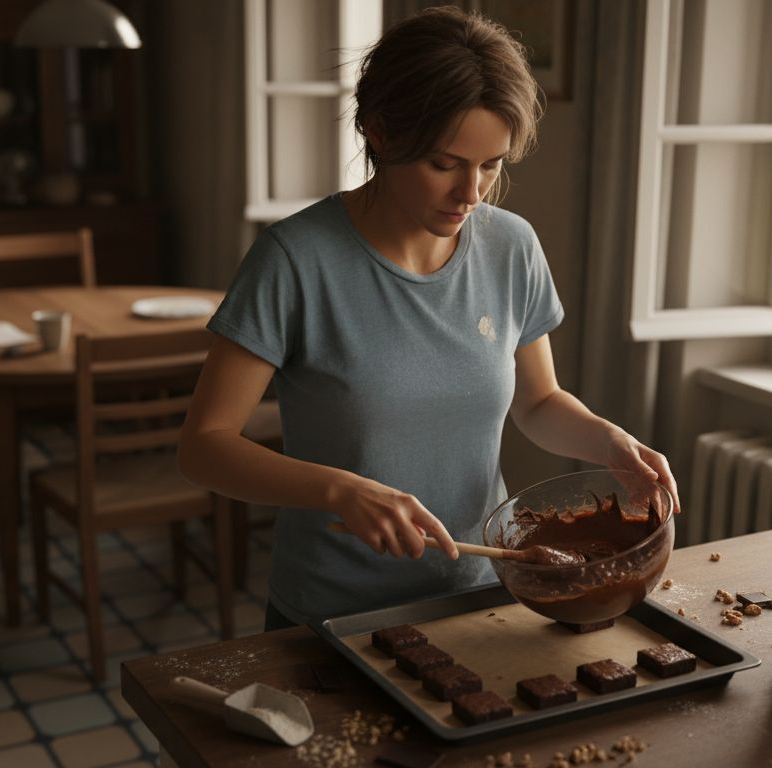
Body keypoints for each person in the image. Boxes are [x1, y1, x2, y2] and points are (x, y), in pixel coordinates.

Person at [177, 6, 680, 630]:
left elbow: (539, 402)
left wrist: (608, 442)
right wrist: (338, 489)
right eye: (445, 164)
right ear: (381, 134)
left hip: (478, 594)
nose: (470, 192)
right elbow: (204, 448)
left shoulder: (510, 246)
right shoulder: (294, 260)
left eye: (491, 165)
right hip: (334, 615)